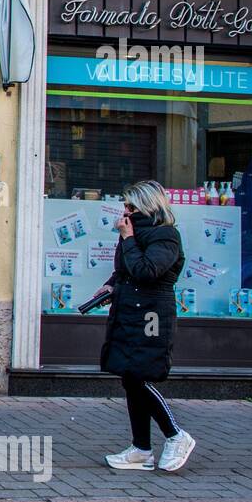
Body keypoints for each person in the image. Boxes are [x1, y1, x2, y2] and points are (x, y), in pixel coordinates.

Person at [91, 180, 196, 472]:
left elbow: (147, 271)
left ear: (148, 206)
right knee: (129, 377)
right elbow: (126, 272)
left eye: (131, 206)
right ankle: (141, 449)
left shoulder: (166, 236)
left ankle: (176, 435)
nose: (125, 211)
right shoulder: (135, 234)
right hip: (128, 312)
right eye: (124, 205)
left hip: (152, 317)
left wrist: (127, 238)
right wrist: (110, 286)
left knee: (139, 376)